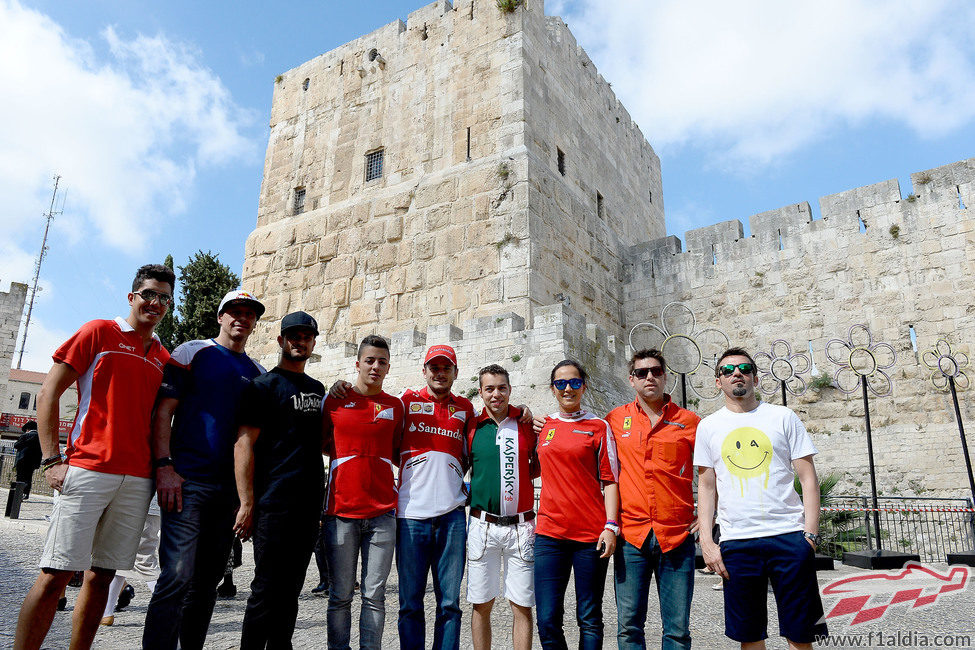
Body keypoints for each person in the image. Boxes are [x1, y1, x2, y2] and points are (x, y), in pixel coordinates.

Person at [13, 263, 175, 650]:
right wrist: (52, 459)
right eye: (149, 294)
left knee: (101, 576)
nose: (156, 303)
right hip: (87, 469)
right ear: (132, 296)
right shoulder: (98, 331)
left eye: (164, 298)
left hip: (137, 480)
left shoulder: (161, 356)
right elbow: (48, 392)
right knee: (55, 574)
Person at [143, 289, 266, 650]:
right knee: (176, 576)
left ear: (255, 323)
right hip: (187, 482)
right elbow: (163, 412)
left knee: (208, 580)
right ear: (220, 316)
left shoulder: (256, 373)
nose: (241, 318)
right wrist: (164, 466)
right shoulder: (192, 352)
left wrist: (247, 499)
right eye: (234, 311)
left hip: (227, 493)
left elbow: (252, 439)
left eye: (249, 314)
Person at [695, 347, 827, 650]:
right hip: (737, 542)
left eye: (743, 368)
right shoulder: (708, 426)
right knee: (750, 636)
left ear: (755, 376)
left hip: (789, 537)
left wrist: (810, 535)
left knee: (801, 633)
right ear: (718, 382)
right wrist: (707, 541)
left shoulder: (783, 417)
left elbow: (808, 478)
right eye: (727, 371)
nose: (736, 374)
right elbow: (706, 486)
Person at [233, 311, 327, 649]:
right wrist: (246, 503)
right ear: (281, 341)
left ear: (313, 342)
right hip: (273, 504)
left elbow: (324, 443)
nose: (300, 341)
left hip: (307, 507)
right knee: (266, 589)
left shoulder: (318, 390)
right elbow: (244, 444)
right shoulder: (263, 387)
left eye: (306, 336)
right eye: (294, 336)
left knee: (292, 590)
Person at [605, 349, 699, 650]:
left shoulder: (690, 422)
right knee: (629, 627)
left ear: (665, 376)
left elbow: (715, 471)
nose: (650, 377)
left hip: (677, 535)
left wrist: (712, 513)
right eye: (642, 373)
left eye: (656, 371)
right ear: (631, 379)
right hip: (632, 536)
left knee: (677, 630)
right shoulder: (615, 420)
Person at [322, 334, 405, 650]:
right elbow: (322, 443)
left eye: (382, 362)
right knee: (340, 596)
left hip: (383, 515)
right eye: (370, 360)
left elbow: (399, 450)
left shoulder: (395, 406)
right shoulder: (335, 400)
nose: (375, 366)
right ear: (358, 363)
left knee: (374, 597)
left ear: (388, 367)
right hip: (340, 514)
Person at [534, 359, 619, 650]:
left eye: (574, 382)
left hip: (589, 537)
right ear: (552, 388)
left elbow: (610, 480)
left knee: (590, 617)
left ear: (584, 386)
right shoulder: (544, 427)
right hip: (549, 535)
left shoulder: (599, 426)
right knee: (546, 618)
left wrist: (611, 526)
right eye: (560, 383)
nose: (567, 388)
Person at [467, 364, 539, 650]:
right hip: (483, 526)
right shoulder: (471, 426)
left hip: (521, 527)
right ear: (481, 392)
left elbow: (536, 466)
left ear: (509, 389)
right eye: (489, 389)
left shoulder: (526, 424)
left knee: (522, 605)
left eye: (501, 388)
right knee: (481, 603)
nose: (496, 394)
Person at [14, 420, 42, 500]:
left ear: (27, 429)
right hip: (33, 462)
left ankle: (18, 494)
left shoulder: (24, 436)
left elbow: (16, 445)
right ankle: (25, 494)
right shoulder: (40, 437)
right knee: (28, 478)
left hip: (22, 460)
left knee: (20, 478)